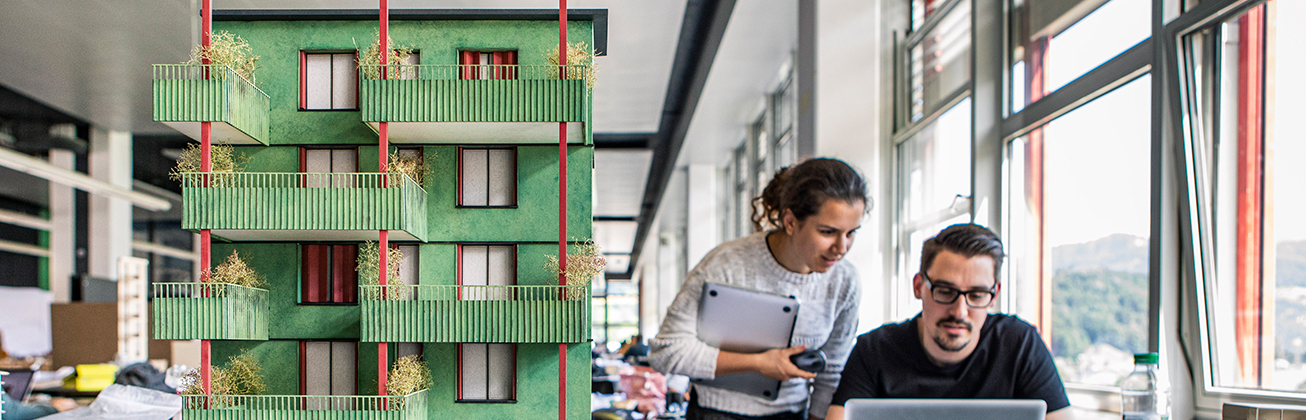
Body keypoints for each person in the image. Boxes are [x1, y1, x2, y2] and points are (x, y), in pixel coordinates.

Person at [650, 158, 869, 420]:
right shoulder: (727, 263)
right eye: (828, 232)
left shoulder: (845, 281)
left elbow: (832, 371)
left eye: (851, 233)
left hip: (792, 414)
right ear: (790, 221)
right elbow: (667, 352)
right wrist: (760, 363)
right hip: (716, 413)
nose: (841, 247)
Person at [825, 224, 1071, 420]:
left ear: (993, 296)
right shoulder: (874, 350)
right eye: (944, 291)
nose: (960, 311)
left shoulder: (1020, 344)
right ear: (919, 287)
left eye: (976, 295)